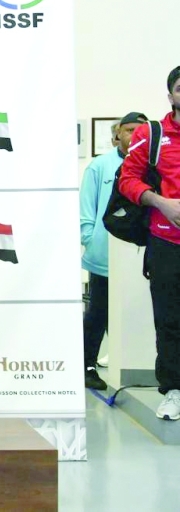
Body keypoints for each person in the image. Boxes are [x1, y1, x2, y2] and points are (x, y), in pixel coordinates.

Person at [119, 67, 180, 421]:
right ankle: (173, 390)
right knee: (170, 320)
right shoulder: (151, 134)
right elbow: (127, 180)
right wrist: (159, 202)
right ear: (170, 94)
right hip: (166, 244)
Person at [80, 112, 148, 390]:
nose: (133, 135)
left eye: (139, 130)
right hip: (103, 256)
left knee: (139, 312)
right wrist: (90, 238)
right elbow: (87, 206)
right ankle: (88, 366)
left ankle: (139, 367)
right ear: (117, 133)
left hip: (142, 255)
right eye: (128, 130)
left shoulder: (152, 166)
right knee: (98, 312)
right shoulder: (100, 166)